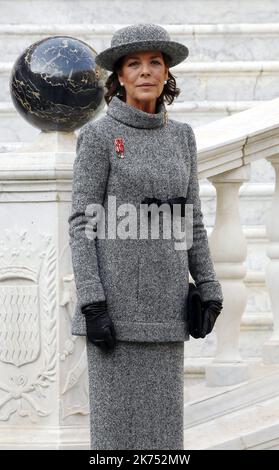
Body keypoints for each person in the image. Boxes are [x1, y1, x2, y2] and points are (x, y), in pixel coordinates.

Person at [68, 23, 223, 450]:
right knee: (116, 441)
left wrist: (208, 288)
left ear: (166, 73)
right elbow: (82, 222)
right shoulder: (98, 136)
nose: (145, 71)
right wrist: (93, 301)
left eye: (155, 62)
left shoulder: (182, 137)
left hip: (167, 307)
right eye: (133, 63)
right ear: (118, 77)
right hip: (113, 314)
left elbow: (191, 218)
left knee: (163, 440)